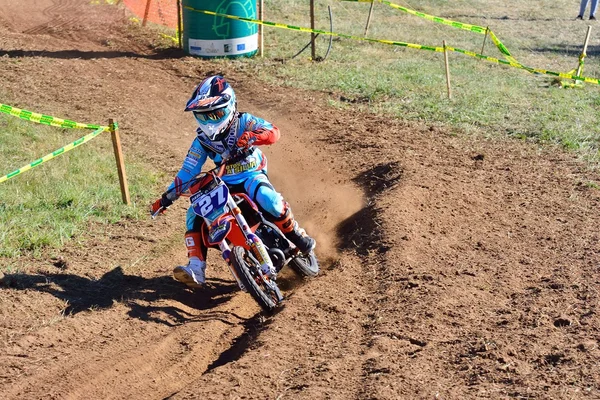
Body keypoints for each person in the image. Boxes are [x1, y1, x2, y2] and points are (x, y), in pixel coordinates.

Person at [150, 75, 316, 288]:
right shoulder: (201, 140)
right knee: (194, 213)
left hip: (250, 174)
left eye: (215, 114)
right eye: (203, 116)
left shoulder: (243, 121)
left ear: (229, 107)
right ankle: (196, 268)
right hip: (223, 183)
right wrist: (166, 197)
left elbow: (273, 133)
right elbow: (187, 171)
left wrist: (252, 137)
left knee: (268, 199)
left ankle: (297, 234)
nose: (209, 122)